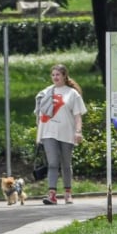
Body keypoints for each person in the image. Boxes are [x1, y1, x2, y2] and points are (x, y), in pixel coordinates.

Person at [35, 64, 87, 205]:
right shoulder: (45, 92)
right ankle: (52, 194)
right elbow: (39, 114)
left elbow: (77, 116)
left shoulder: (72, 94)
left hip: (66, 133)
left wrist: (78, 131)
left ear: (64, 76)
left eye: (58, 74)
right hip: (48, 132)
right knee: (52, 163)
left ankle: (68, 193)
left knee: (65, 163)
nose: (55, 77)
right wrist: (38, 133)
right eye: (53, 75)